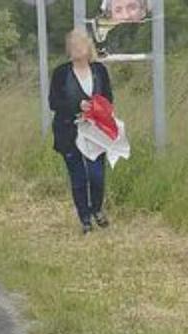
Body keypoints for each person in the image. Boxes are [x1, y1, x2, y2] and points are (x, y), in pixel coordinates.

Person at [49, 29, 114, 235]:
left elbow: (109, 98)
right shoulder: (61, 73)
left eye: (81, 45)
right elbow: (54, 102)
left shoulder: (99, 71)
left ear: (88, 48)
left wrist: (97, 109)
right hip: (69, 130)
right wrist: (78, 105)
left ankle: (96, 209)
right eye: (73, 46)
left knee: (96, 175)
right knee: (78, 177)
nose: (77, 49)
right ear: (69, 49)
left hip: (95, 130)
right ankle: (84, 219)